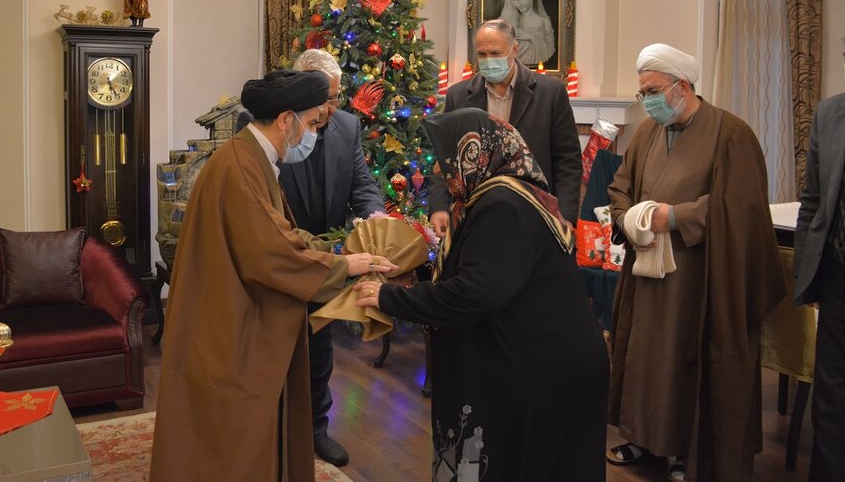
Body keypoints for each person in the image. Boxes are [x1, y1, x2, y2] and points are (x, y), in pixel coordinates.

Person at [149, 69, 396, 482]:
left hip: (227, 304)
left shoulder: (249, 157)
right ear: (286, 120)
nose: (315, 133)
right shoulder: (240, 165)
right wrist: (345, 265)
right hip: (230, 318)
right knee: (233, 431)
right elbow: (270, 253)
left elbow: (280, 232)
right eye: (313, 123)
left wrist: (334, 252)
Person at [355, 108, 608, 482]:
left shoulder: (501, 204)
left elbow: (474, 294)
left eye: (445, 157)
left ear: (472, 153)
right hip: (540, 360)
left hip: (543, 372)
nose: (439, 169)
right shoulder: (502, 194)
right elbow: (481, 271)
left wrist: (389, 298)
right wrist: (413, 278)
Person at [606, 43, 785, 482]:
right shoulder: (647, 133)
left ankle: (690, 451)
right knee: (645, 359)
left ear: (682, 87)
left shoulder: (731, 134)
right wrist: (630, 218)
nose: (646, 100)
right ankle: (644, 438)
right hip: (647, 271)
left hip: (701, 278)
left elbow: (739, 206)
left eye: (653, 91)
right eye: (642, 92)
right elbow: (620, 188)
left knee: (689, 363)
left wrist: (673, 217)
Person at [283, 49, 385, 466]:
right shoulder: (274, 122)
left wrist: (375, 217)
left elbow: (361, 183)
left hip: (327, 264)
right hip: (283, 259)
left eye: (334, 98)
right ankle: (273, 433)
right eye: (322, 98)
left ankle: (315, 431)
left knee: (319, 351)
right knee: (277, 351)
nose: (328, 109)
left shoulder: (347, 125)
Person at [429, 19, 581, 235]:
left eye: (495, 53)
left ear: (514, 49)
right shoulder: (459, 95)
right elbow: (446, 160)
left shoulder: (551, 92)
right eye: (482, 54)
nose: (488, 60)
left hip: (536, 215)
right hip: (476, 218)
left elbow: (567, 160)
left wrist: (565, 215)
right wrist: (439, 207)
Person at [794, 90, 845, 481]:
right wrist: (807, 273)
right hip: (837, 275)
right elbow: (811, 200)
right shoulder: (829, 114)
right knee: (831, 394)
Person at [498, 0, 554, 65]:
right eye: (514, 0)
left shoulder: (544, 21)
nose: (518, 4)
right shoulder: (509, 20)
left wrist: (530, 37)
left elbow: (550, 49)